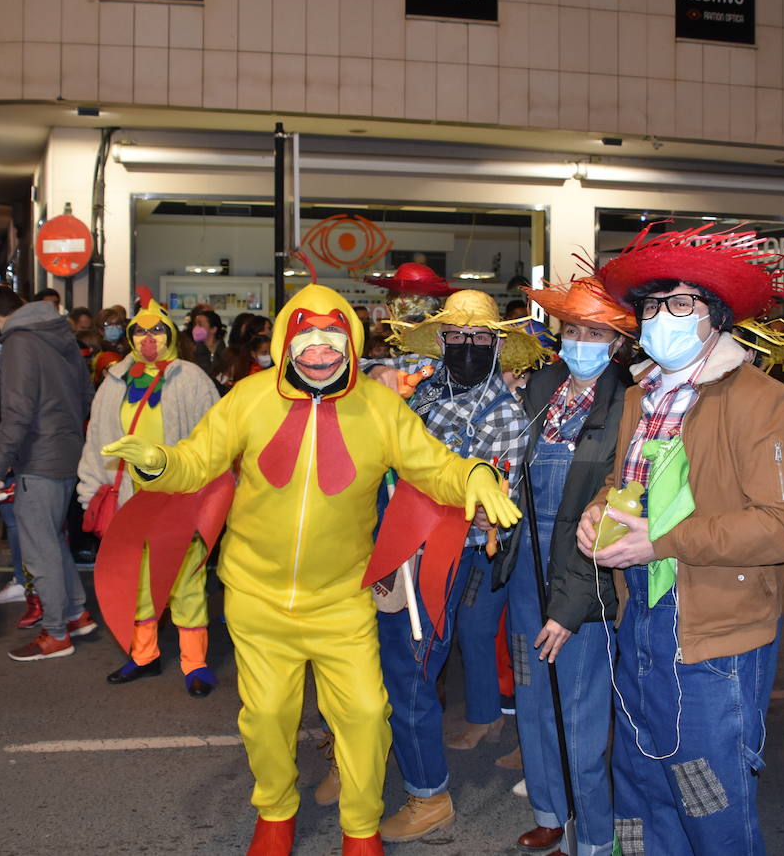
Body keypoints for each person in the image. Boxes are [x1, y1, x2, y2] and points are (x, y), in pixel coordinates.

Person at [101, 282, 521, 856]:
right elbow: (197, 461)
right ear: (284, 341)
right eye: (306, 335)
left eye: (333, 335)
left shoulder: (381, 407)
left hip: (342, 599)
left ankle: (360, 826)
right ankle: (275, 813)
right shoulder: (247, 398)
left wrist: (471, 475)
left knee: (367, 715)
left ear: (350, 341)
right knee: (267, 715)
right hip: (256, 596)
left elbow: (434, 465)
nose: (320, 347)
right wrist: (159, 463)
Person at [582, 227, 784, 855]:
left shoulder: (761, 401)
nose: (663, 318)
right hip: (641, 612)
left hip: (713, 629)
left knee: (707, 794)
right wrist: (599, 512)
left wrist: (660, 541)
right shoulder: (641, 395)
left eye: (682, 304)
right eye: (653, 306)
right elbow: (620, 482)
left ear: (716, 317)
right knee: (640, 778)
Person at [373, 290, 544, 843]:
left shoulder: (504, 417)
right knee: (380, 665)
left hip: (441, 559)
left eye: (480, 338)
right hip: (389, 550)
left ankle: (429, 796)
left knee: (413, 675)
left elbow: (488, 514)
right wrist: (379, 374)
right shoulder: (424, 383)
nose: (468, 347)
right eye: (457, 337)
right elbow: (368, 374)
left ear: (497, 346)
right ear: (441, 341)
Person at [490, 277, 632, 856]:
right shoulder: (541, 387)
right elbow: (510, 466)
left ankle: (595, 834)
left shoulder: (630, 404)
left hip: (585, 572)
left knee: (580, 710)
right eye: (572, 330)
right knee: (531, 694)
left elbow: (620, 508)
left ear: (617, 343)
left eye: (594, 333)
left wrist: (574, 606)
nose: (580, 342)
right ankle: (550, 810)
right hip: (527, 568)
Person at [77, 288, 219, 691]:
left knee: (186, 580)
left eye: (157, 329)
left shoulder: (191, 379)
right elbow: (97, 441)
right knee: (138, 583)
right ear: (130, 338)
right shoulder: (115, 381)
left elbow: (214, 440)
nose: (148, 338)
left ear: (170, 333)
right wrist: (92, 492)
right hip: (130, 503)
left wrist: (209, 499)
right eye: (140, 332)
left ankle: (194, 663)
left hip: (180, 498)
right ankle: (144, 655)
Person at [0, 286, 95, 662]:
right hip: (66, 453)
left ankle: (56, 632)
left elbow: (16, 413)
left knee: (39, 550)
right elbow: (86, 396)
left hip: (38, 459)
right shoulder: (61, 335)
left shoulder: (19, 344)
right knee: (53, 541)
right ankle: (76, 613)